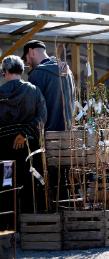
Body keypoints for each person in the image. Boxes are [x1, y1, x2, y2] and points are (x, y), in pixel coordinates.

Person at [0, 55, 47, 229]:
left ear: (4, 73)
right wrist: (24, 134)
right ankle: (31, 224)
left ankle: (7, 226)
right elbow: (42, 118)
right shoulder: (34, 91)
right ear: (21, 70)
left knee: (6, 184)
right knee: (31, 183)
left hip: (4, 149)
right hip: (29, 149)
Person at [22, 40, 75, 131]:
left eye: (25, 58)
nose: (27, 63)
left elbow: (33, 109)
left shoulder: (38, 73)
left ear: (31, 52)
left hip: (47, 134)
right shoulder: (68, 71)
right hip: (68, 133)